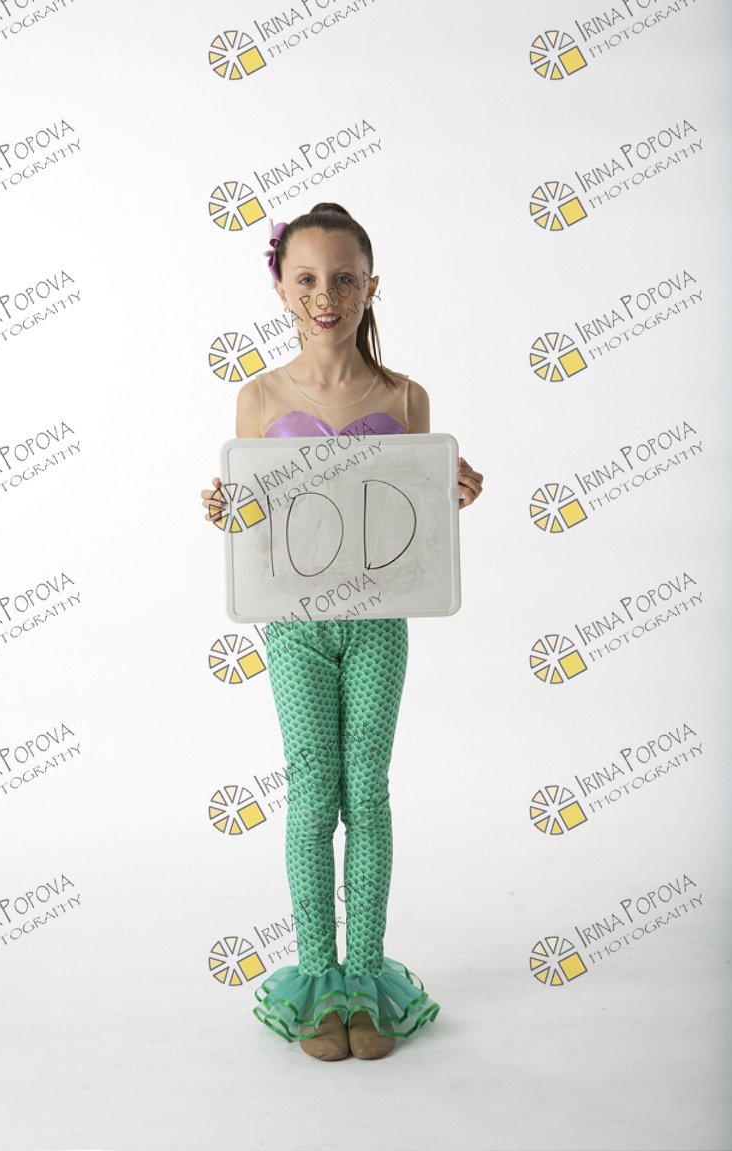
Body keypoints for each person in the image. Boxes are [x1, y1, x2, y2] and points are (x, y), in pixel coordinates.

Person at [200, 202, 484, 1061]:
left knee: (367, 788)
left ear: (370, 286)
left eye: (344, 278)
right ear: (282, 289)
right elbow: (259, 528)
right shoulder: (258, 398)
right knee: (311, 788)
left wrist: (455, 490)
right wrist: (227, 511)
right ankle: (319, 979)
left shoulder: (404, 397)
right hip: (292, 625)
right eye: (308, 279)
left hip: (378, 622)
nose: (326, 296)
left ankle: (364, 978)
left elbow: (412, 517)